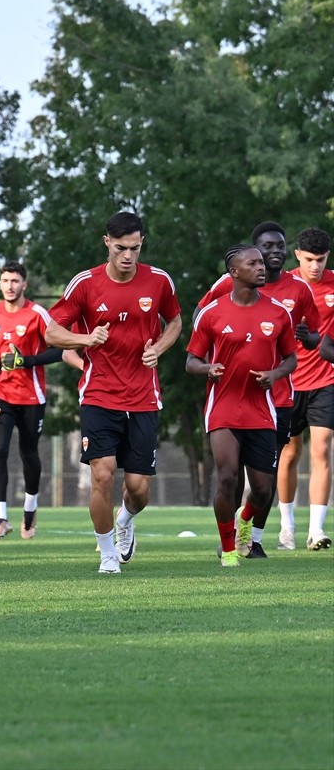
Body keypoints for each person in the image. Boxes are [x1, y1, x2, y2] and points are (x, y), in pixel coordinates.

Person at [45, 211, 182, 574]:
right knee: (102, 474)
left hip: (143, 397)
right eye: (121, 248)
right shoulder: (85, 284)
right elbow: (52, 333)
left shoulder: (159, 282)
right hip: (98, 394)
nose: (128, 256)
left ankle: (124, 521)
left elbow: (176, 321)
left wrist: (160, 348)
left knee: (138, 489)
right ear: (107, 242)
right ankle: (107, 554)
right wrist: (85, 338)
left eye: (135, 248)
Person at [194, 222, 320, 557]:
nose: (271, 255)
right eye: (266, 249)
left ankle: (252, 533)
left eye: (280, 246)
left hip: (273, 402)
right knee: (228, 476)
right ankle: (230, 544)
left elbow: (310, 340)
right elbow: (199, 331)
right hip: (224, 402)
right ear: (238, 268)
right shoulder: (221, 295)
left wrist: (294, 355)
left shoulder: (292, 297)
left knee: (264, 484)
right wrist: (210, 364)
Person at [0, 262, 83, 541]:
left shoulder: (37, 314)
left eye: (15, 281)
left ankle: (30, 509)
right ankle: (0, 518)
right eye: (5, 280)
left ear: (24, 284)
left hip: (31, 396)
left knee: (28, 453)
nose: (10, 286)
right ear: (0, 284)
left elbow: (58, 350)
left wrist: (26, 361)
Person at [278, 227, 334, 550]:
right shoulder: (284, 284)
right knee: (289, 453)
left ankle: (316, 531)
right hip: (289, 381)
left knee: (322, 448)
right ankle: (287, 527)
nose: (315, 266)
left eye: (322, 260)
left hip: (325, 380)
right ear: (297, 254)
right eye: (310, 259)